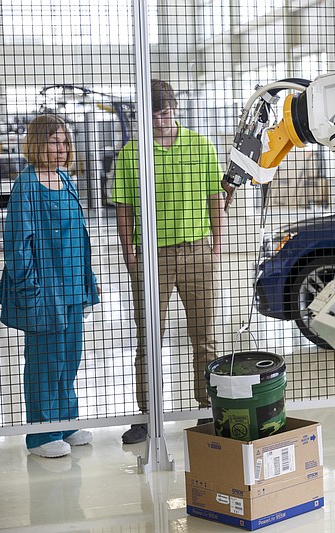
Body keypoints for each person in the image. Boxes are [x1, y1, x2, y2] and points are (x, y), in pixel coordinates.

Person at [112, 79, 224, 444]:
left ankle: (208, 408)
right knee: (149, 341)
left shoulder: (201, 145)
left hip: (196, 252)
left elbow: (214, 198)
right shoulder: (133, 152)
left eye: (166, 111)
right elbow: (124, 206)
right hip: (151, 256)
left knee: (204, 339)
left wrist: (217, 244)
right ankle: (146, 416)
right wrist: (129, 251)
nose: (162, 119)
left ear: (175, 107)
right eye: (155, 113)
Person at [0, 114, 100, 458]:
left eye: (65, 142)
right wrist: (28, 288)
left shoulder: (65, 179)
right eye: (55, 141)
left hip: (71, 287)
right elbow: (16, 243)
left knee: (70, 358)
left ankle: (65, 423)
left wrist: (86, 282)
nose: (62, 148)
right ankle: (40, 435)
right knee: (44, 361)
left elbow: (79, 237)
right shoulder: (27, 185)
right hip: (44, 289)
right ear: (37, 143)